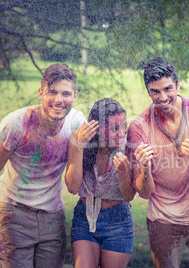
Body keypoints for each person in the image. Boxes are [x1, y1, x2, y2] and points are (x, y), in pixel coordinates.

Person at [127, 57, 189, 268]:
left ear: (178, 85)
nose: (162, 97)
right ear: (148, 91)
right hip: (163, 221)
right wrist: (144, 168)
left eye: (168, 89)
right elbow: (143, 193)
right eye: (155, 91)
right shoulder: (138, 127)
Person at [0, 64, 86, 267]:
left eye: (66, 93)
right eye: (52, 92)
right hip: (14, 213)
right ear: (41, 93)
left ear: (75, 96)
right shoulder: (16, 123)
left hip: (52, 217)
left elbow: (74, 187)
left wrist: (79, 145)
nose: (59, 100)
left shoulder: (76, 123)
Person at [65, 98, 136, 268]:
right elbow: (73, 188)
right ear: (96, 129)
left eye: (123, 126)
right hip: (84, 218)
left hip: (118, 221)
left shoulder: (127, 147)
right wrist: (80, 146)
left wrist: (122, 172)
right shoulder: (78, 139)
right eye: (114, 129)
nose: (121, 133)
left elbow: (128, 196)